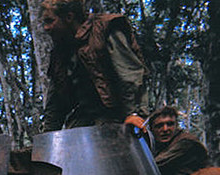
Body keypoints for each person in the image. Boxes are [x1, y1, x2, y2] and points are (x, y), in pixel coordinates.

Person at [41, 0, 149, 131]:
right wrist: (47, 138)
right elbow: (56, 100)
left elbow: (129, 75)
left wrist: (133, 114)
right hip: (84, 119)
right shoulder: (61, 52)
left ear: (69, 17)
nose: (46, 28)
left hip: (117, 114)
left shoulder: (104, 30)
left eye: (50, 21)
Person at [148, 106, 210, 175]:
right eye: (159, 126)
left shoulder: (186, 142)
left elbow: (154, 166)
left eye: (170, 124)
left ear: (176, 126)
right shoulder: (160, 145)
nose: (165, 129)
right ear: (152, 130)